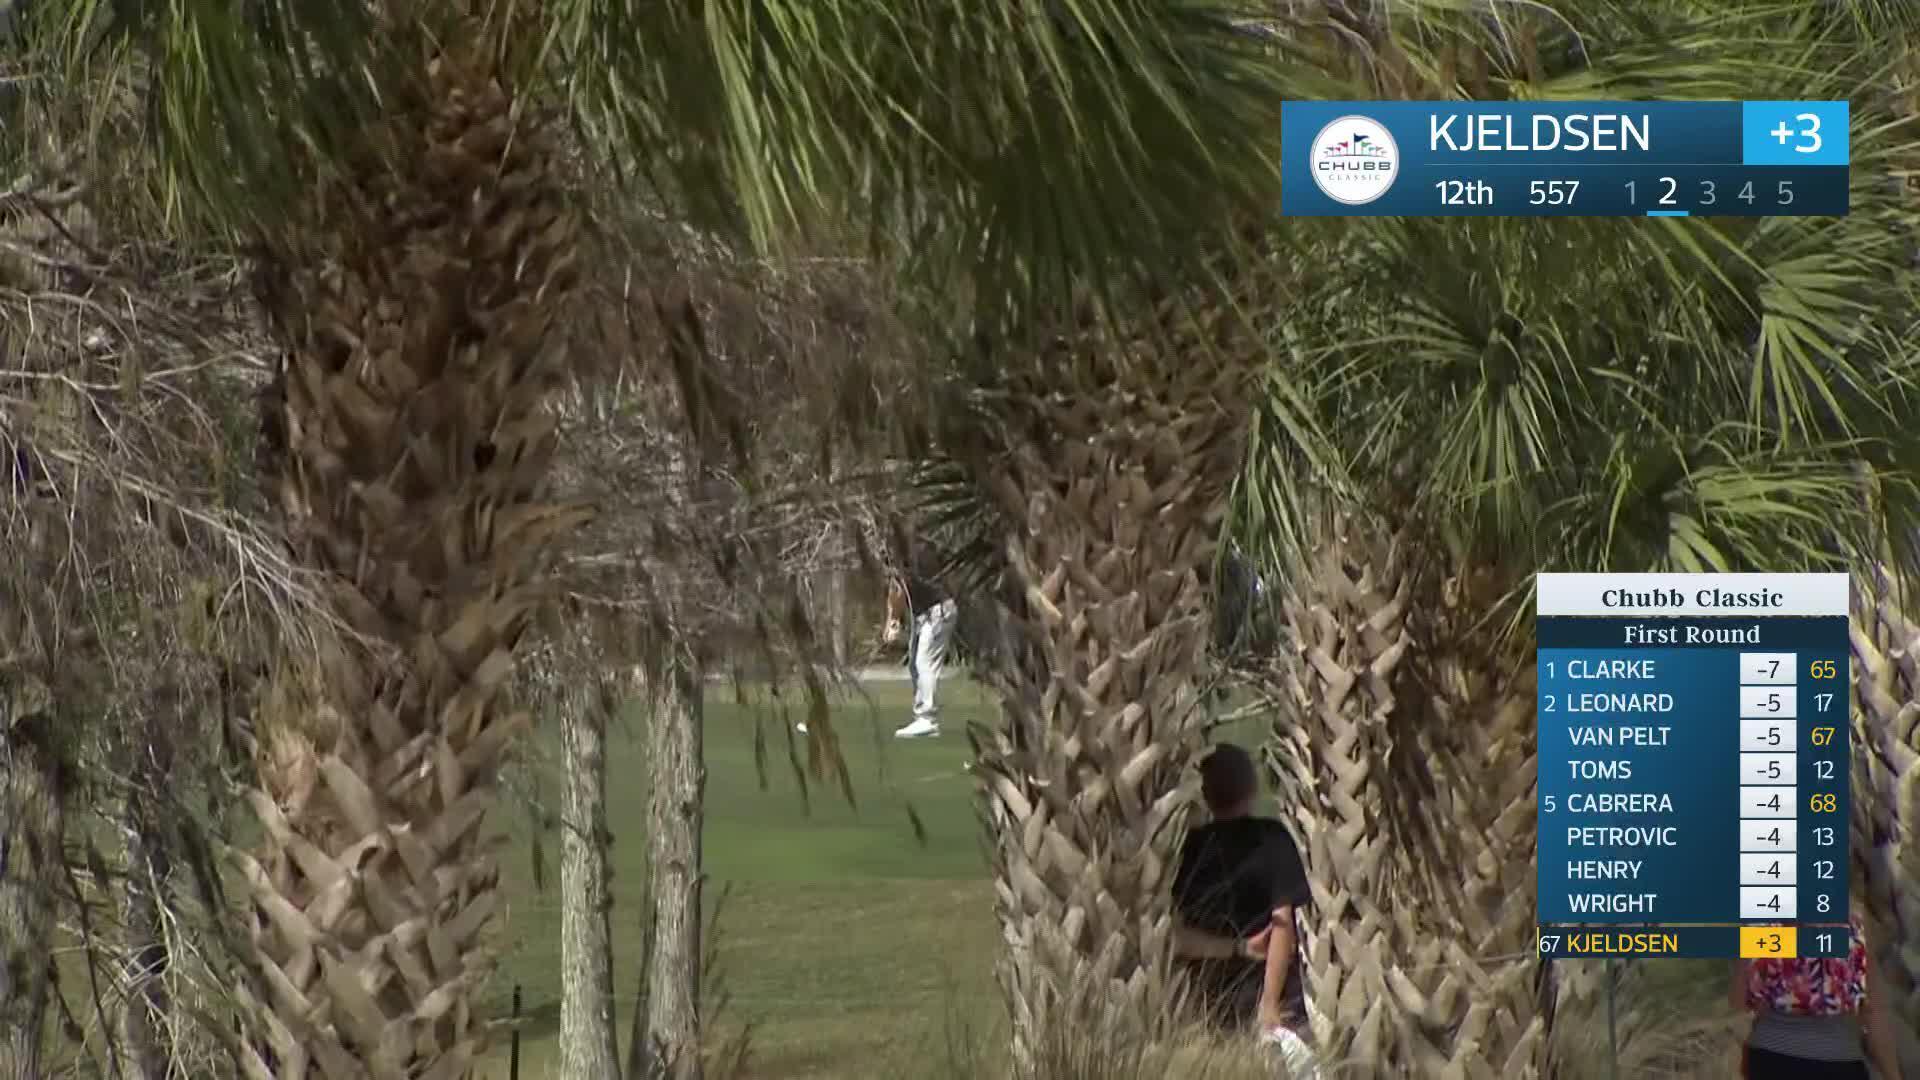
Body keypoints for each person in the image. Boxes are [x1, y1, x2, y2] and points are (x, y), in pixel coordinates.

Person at [1171, 742, 1315, 1066]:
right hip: (1275, 1000)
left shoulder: (1190, 849)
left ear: (1206, 794)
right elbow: (1282, 925)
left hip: (1209, 1004)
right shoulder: (1272, 838)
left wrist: (1236, 948)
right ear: (1252, 788)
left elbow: (1177, 937)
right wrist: (1270, 1003)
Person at [1732, 909, 1902, 1079]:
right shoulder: (1854, 927)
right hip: (1838, 1062)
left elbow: (1739, 1000)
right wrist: (1893, 1075)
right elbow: (1874, 1013)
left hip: (1768, 1059)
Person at [884, 538, 956, 739]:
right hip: (926, 614)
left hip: (937, 612)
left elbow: (897, 592)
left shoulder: (904, 555)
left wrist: (892, 622)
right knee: (915, 665)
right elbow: (896, 591)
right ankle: (923, 718)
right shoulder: (907, 552)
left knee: (924, 663)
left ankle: (927, 719)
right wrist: (893, 621)